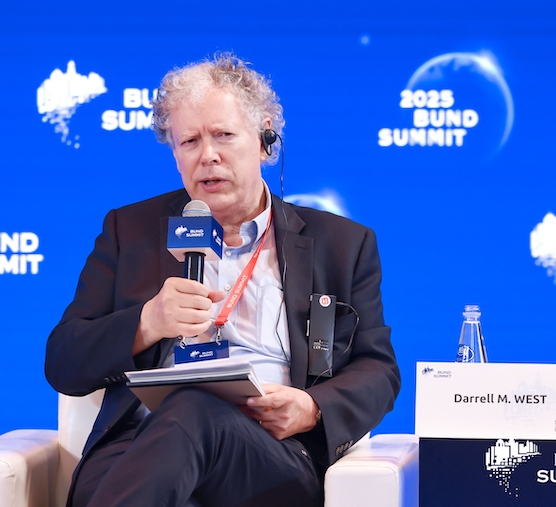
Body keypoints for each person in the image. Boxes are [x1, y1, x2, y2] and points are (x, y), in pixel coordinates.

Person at [45, 52, 400, 507]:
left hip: (268, 455)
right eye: (189, 141)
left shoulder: (341, 244)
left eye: (224, 135)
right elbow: (64, 361)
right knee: (175, 431)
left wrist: (311, 408)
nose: (207, 155)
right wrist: (147, 322)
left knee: (193, 406)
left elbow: (378, 369)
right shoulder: (129, 230)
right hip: (138, 447)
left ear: (264, 139)